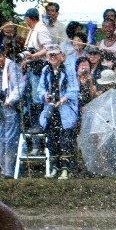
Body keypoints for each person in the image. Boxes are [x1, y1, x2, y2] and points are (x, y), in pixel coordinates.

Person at [38, 45, 79, 178]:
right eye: (50, 55)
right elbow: (40, 89)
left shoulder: (69, 70)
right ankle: (55, 167)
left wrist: (62, 100)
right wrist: (44, 95)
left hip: (65, 109)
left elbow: (74, 89)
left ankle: (66, 169)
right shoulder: (45, 70)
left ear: (61, 56)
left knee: (65, 140)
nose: (53, 57)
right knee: (52, 139)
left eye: (55, 55)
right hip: (50, 109)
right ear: (47, 57)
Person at [0, 45, 23, 175]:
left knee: (10, 139)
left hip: (10, 106)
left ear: (4, 55)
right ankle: (3, 169)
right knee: (0, 139)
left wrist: (10, 100)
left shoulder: (12, 66)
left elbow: (20, 87)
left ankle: (9, 171)